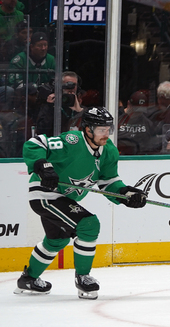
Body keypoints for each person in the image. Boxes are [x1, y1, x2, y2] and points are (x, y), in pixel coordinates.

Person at [15, 107, 148, 298]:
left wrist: (125, 193)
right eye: (101, 129)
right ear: (87, 129)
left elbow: (108, 182)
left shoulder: (109, 151)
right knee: (89, 224)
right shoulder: (72, 141)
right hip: (45, 194)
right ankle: (83, 278)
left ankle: (28, 279)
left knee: (57, 240)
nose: (106, 133)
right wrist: (42, 165)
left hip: (64, 199)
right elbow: (34, 143)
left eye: (108, 128)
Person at [35, 71, 84, 136]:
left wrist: (79, 111)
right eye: (68, 84)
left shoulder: (81, 109)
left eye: (74, 85)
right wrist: (50, 107)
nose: (71, 88)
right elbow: (41, 131)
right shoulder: (50, 106)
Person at [118, 90, 160, 155]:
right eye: (135, 109)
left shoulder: (148, 124)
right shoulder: (118, 119)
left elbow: (152, 144)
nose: (138, 113)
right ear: (128, 104)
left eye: (141, 110)